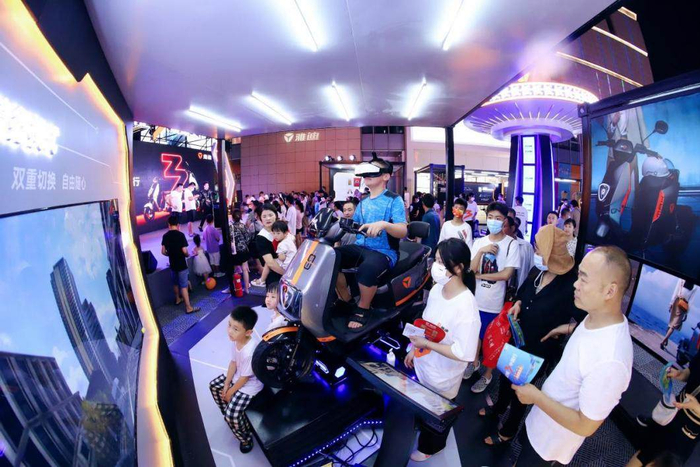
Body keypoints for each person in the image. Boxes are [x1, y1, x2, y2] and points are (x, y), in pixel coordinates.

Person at [512, 245, 634, 466]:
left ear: (610, 291)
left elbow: (585, 425)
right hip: (541, 421)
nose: (575, 285)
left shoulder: (611, 359)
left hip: (552, 442)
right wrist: (564, 329)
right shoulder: (593, 316)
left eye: (584, 279)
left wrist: (536, 397)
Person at [479, 224, 584, 447]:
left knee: (522, 391)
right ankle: (498, 408)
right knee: (505, 377)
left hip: (538, 348)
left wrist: (562, 329)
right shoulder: (538, 271)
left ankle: (508, 432)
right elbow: (522, 294)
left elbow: (586, 321)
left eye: (538, 249)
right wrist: (517, 304)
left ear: (552, 252)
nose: (535, 252)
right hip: (517, 337)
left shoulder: (571, 285)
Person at [404, 239, 480, 461]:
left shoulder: (466, 307)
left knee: (438, 416)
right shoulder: (437, 289)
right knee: (423, 406)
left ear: (459, 268)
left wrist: (426, 345)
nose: (435, 266)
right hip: (424, 365)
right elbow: (427, 324)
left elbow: (463, 353)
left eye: (441, 262)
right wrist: (414, 348)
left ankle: (430, 448)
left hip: (443, 376)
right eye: (435, 260)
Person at [335, 156, 407, 331]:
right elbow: (356, 226)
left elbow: (403, 230)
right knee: (330, 257)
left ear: (386, 176)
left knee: (366, 270)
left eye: (373, 171)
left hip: (384, 251)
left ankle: (363, 308)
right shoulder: (362, 203)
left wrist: (384, 225)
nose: (368, 174)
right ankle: (346, 300)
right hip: (361, 247)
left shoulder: (394, 199)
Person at [467, 202, 519, 393]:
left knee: (493, 341)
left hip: (496, 303)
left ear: (505, 221)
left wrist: (480, 276)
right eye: (490, 217)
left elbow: (507, 274)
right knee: (475, 336)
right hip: (476, 300)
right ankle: (473, 363)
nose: (493, 221)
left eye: (498, 218)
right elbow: (470, 270)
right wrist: (482, 251)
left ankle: (488, 375)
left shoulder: (511, 244)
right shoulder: (479, 242)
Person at [629, 352, 700, 466]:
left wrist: (696, 407)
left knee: (664, 461)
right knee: (647, 451)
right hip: (674, 411)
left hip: (689, 429)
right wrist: (681, 374)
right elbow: (692, 370)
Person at [209, 306, 262, 454]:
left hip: (250, 385)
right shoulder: (236, 340)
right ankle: (228, 413)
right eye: (229, 325)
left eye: (236, 329)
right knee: (214, 386)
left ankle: (246, 438)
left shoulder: (250, 351)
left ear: (248, 332)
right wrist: (226, 385)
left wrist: (230, 392)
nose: (230, 331)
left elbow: (245, 378)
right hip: (239, 376)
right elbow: (233, 363)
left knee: (232, 414)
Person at [161, 215, 199, 313]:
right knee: (183, 286)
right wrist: (187, 255)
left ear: (169, 224)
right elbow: (184, 250)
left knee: (175, 283)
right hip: (181, 264)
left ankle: (178, 299)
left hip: (172, 264)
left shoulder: (165, 236)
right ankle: (188, 307)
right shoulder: (181, 235)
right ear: (178, 224)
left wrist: (170, 254)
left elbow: (163, 251)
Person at [660, 279, 697, 350]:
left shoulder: (681, 279)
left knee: (671, 323)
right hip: (683, 306)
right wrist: (686, 313)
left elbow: (675, 291)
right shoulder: (695, 287)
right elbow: (691, 302)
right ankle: (664, 341)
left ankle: (665, 340)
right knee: (673, 326)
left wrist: (671, 303)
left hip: (676, 302)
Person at [255, 204, 285, 286]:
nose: (268, 218)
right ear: (260, 219)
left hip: (289, 268)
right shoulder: (261, 237)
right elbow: (270, 263)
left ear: (276, 215)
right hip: (275, 276)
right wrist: (287, 275)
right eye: (264, 216)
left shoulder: (282, 228)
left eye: (270, 215)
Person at [503, 216, 533, 290]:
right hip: (500, 290)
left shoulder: (526, 246)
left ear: (512, 228)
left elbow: (532, 269)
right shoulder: (495, 246)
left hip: (521, 289)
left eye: (503, 226)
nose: (500, 230)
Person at [226, 209, 251, 294]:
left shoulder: (230, 227)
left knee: (234, 270)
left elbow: (229, 239)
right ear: (240, 217)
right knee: (245, 269)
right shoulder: (243, 226)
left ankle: (235, 287)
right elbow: (248, 238)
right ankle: (247, 289)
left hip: (234, 251)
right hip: (243, 250)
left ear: (232, 217)